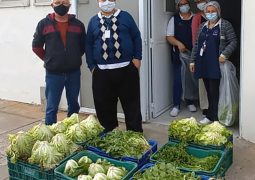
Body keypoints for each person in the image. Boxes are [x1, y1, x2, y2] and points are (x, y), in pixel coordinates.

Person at [85, 0, 143, 132]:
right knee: (104, 107)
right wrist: (92, 66)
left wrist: (137, 57)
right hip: (102, 73)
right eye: (103, 0)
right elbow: (88, 44)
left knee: (131, 106)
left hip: (126, 70)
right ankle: (109, 135)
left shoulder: (126, 16)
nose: (106, 2)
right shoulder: (93, 21)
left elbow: (136, 36)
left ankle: (135, 136)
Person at [32, 0, 86, 125]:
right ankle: (50, 134)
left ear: (70, 5)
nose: (61, 5)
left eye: (65, 2)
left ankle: (72, 131)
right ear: (52, 5)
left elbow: (82, 47)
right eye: (57, 2)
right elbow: (36, 47)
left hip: (73, 73)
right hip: (53, 74)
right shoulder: (43, 24)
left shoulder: (78, 25)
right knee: (51, 107)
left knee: (73, 105)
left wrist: (73, 58)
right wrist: (49, 59)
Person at [190, 1, 237, 124]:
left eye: (213, 11)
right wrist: (192, 61)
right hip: (203, 63)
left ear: (218, 11)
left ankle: (216, 118)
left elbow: (233, 41)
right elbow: (196, 45)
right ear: (205, 13)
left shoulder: (225, 25)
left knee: (214, 91)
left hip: (216, 64)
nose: (210, 14)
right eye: (208, 12)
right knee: (208, 91)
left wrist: (224, 54)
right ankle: (210, 115)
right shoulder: (202, 26)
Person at [166, 0, 198, 117]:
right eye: (181, 4)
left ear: (189, 5)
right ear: (178, 6)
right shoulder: (174, 19)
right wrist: (178, 43)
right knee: (178, 79)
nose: (184, 6)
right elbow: (169, 37)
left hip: (193, 55)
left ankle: (190, 101)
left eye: (185, 3)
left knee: (191, 79)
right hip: (179, 54)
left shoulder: (196, 18)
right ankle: (176, 105)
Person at [192, 0, 210, 117]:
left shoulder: (215, 15)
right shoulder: (197, 18)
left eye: (201, 0)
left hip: (216, 56)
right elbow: (195, 39)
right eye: (197, 1)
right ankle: (205, 108)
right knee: (203, 83)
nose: (199, 3)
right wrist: (196, 57)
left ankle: (215, 106)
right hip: (202, 55)